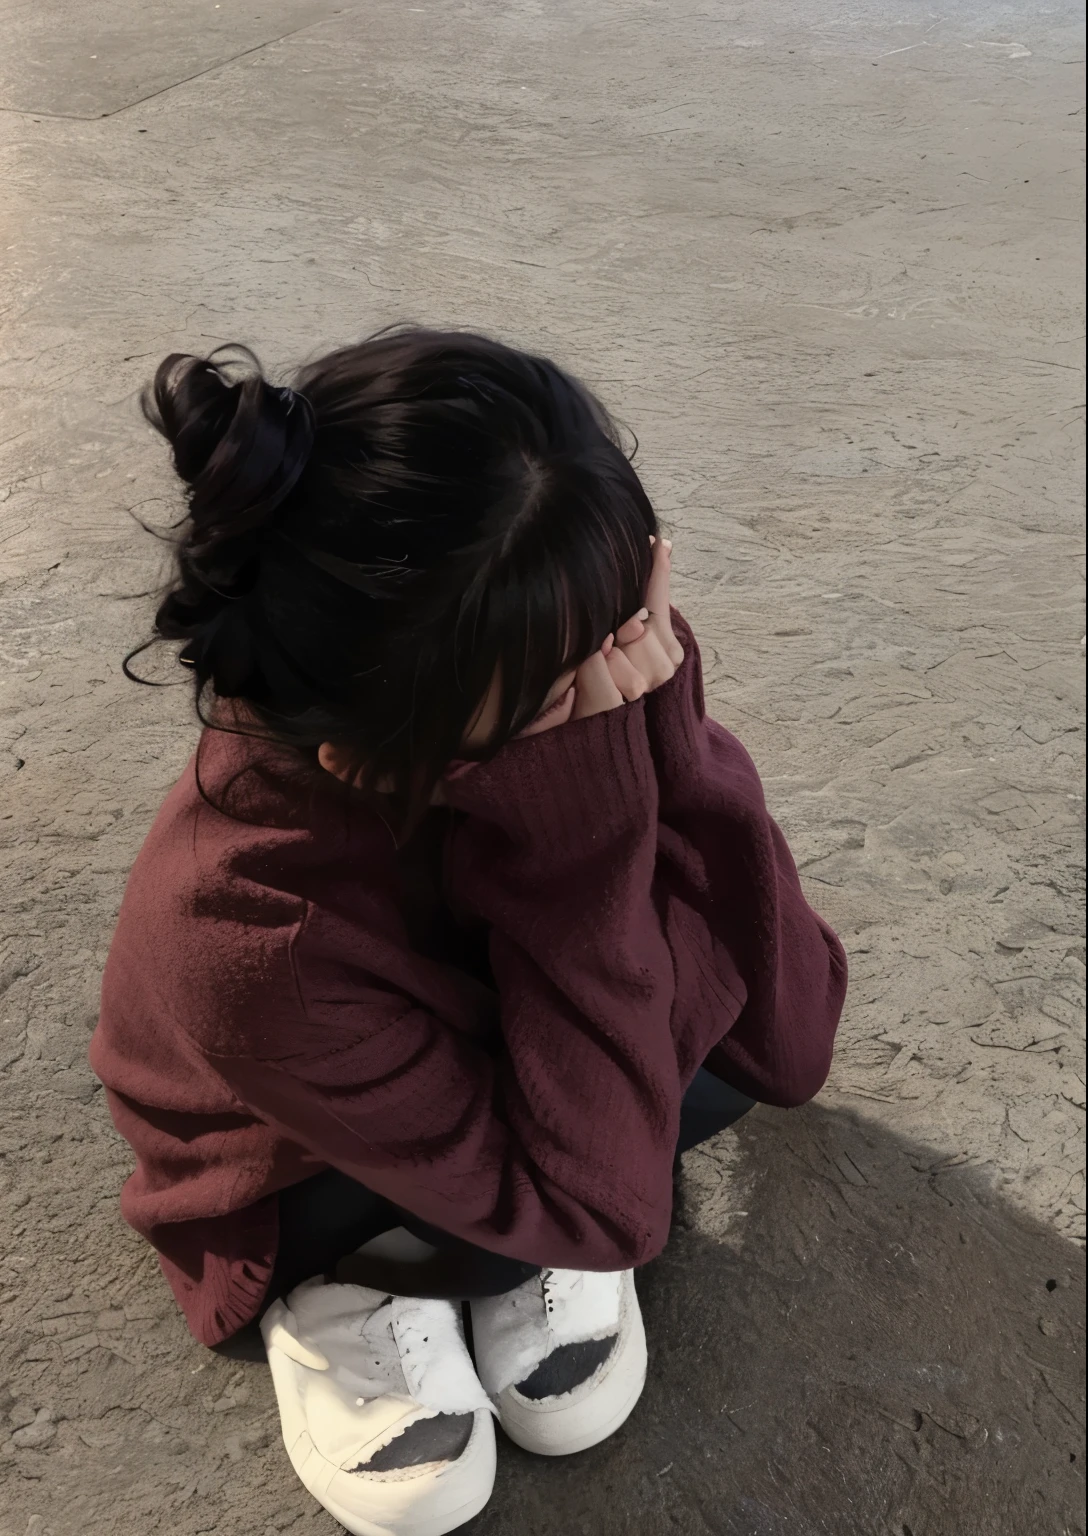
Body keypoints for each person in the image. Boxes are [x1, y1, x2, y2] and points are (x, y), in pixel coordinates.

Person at [89, 327, 847, 1536]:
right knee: (571, 1193)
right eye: (570, 698)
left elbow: (790, 1038)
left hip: (486, 1009)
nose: (615, 684)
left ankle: (505, 1205)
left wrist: (667, 723)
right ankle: (349, 1291)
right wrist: (589, 830)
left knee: (714, 1081)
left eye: (630, 635)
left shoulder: (546, 699)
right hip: (296, 1155)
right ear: (370, 753)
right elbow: (607, 1221)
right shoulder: (248, 929)